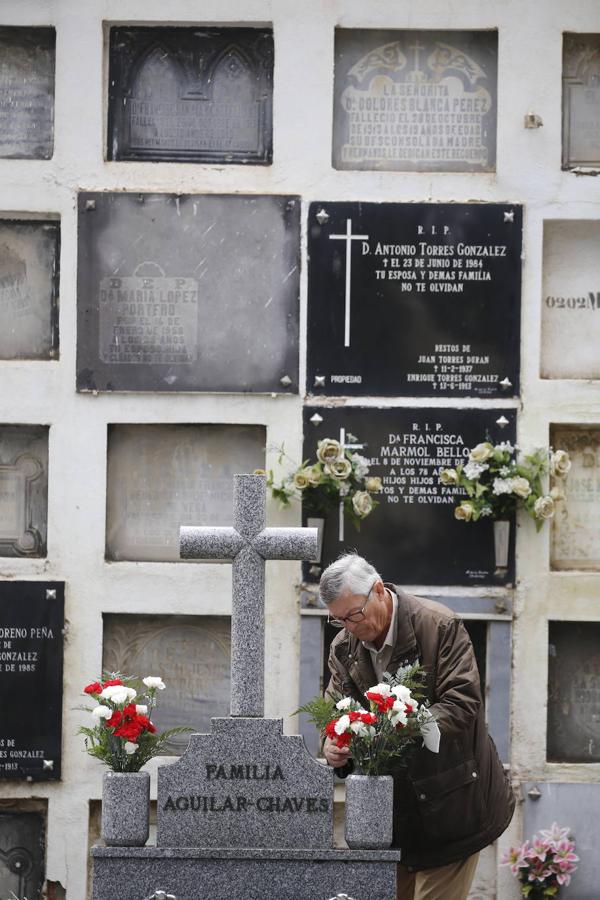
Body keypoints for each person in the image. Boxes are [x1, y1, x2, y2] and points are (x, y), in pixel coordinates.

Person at [320, 553, 515, 900]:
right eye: (339, 620)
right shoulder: (343, 647)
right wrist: (334, 745)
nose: (349, 627)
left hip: (451, 802)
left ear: (378, 590)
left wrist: (398, 727)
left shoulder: (439, 626)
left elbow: (462, 702)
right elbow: (336, 712)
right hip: (391, 815)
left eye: (354, 615)